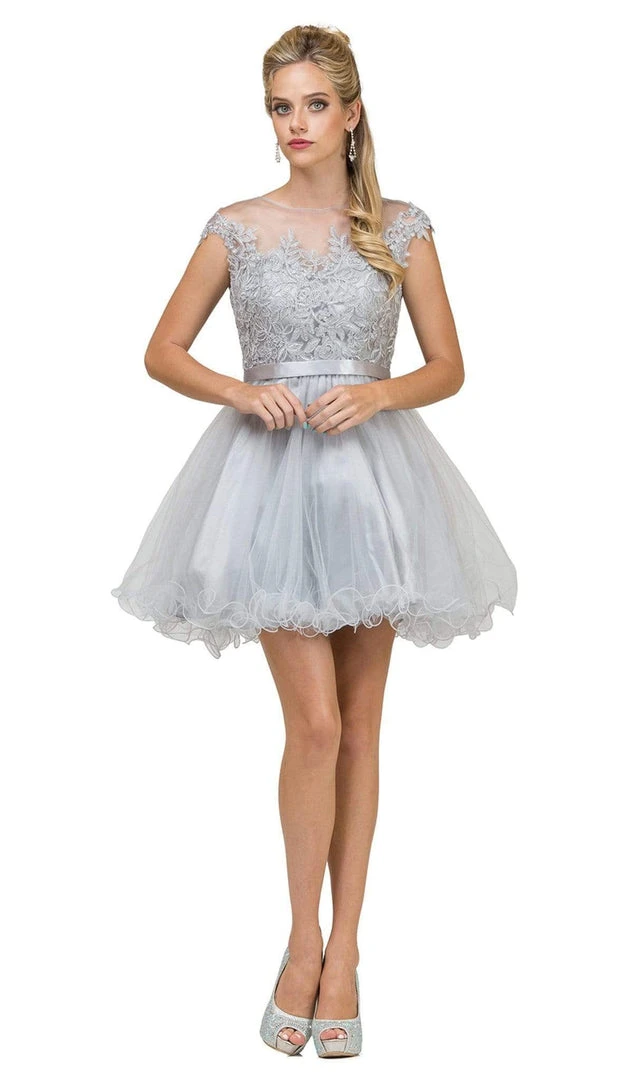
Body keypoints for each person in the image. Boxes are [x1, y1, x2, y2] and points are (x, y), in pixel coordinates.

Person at [111, 24, 517, 1058]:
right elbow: (161, 349)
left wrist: (377, 392)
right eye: (280, 107)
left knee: (365, 728)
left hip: (374, 486)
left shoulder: (402, 227)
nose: (295, 124)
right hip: (268, 485)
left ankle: (348, 957)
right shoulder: (237, 226)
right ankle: (301, 944)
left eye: (313, 104)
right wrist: (239, 388)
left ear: (352, 112)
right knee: (319, 727)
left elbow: (448, 366)